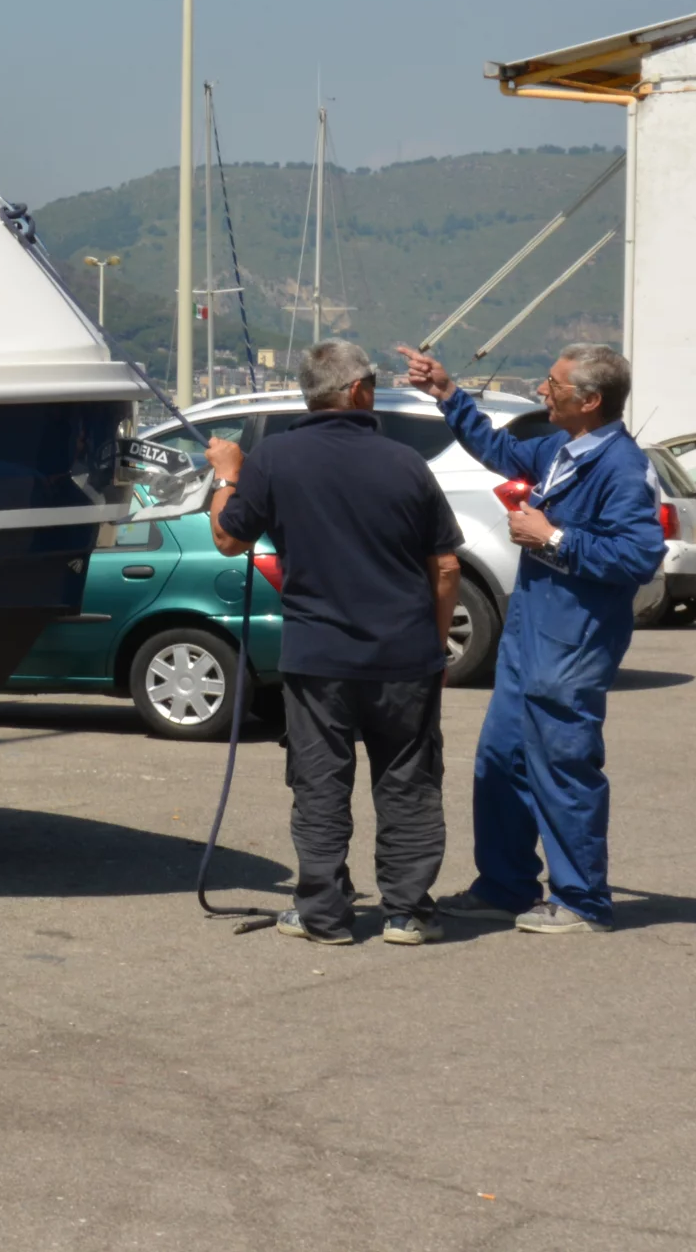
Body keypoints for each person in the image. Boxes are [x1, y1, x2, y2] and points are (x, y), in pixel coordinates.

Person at [205, 340, 464, 946]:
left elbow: (227, 540)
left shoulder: (274, 459)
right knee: (409, 781)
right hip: (404, 657)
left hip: (318, 659)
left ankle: (323, 913)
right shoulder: (406, 463)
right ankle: (407, 912)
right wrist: (433, 645)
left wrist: (227, 477)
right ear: (358, 392)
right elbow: (446, 568)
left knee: (320, 783)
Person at [398, 340, 662, 933]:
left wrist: (554, 538)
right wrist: (447, 393)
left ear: (590, 400)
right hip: (529, 632)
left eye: (553, 385)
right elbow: (501, 450)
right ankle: (506, 884)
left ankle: (581, 900)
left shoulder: (620, 467)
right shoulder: (563, 449)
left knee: (563, 763)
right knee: (501, 759)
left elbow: (640, 557)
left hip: (573, 639)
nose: (543, 391)